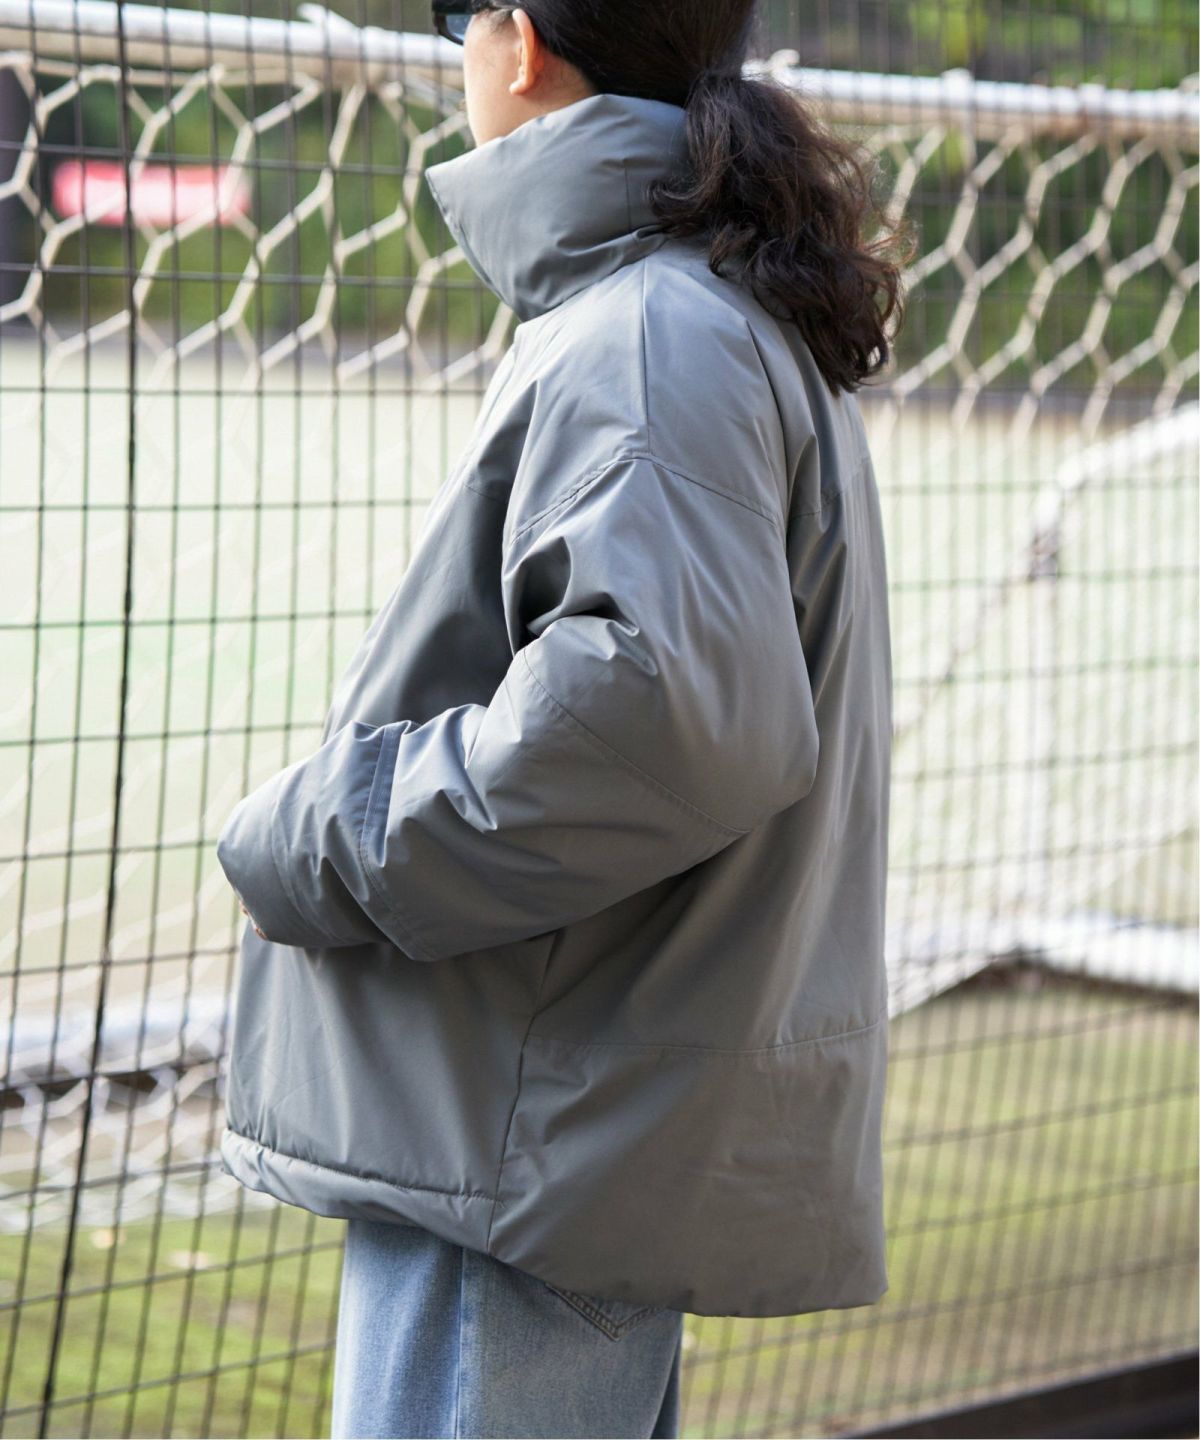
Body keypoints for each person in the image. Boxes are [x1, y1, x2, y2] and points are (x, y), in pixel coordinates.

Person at [215, 0, 912, 1435]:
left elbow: (653, 718)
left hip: (523, 1155)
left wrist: (320, 833)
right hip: (554, 1136)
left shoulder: (653, 329)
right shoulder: (698, 307)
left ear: (521, 43)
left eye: (454, 20)